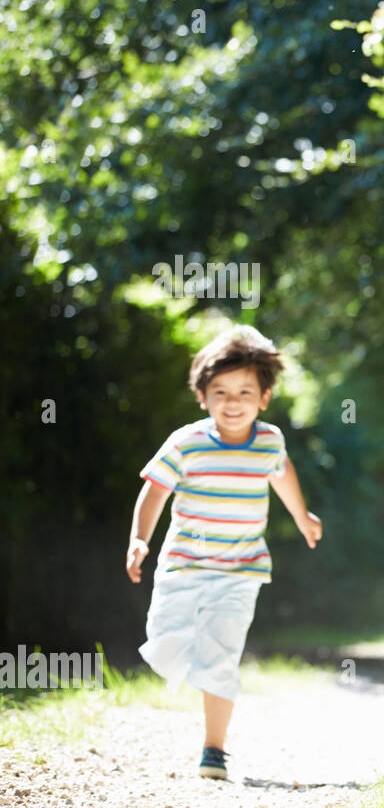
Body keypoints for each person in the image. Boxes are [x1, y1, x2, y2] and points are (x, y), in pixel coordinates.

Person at [126, 325, 322, 780]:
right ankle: (189, 664)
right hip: (183, 566)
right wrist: (140, 539)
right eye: (220, 392)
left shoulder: (269, 441)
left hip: (241, 570)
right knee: (165, 641)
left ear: (264, 397)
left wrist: (301, 515)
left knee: (222, 655)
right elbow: (154, 492)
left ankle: (213, 749)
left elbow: (282, 473)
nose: (232, 402)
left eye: (244, 392)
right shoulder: (187, 443)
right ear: (202, 396)